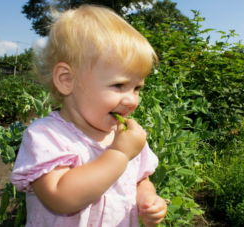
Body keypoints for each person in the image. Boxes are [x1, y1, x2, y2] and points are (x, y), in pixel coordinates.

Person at [10, 4, 167, 227]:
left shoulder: (126, 138)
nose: (132, 100)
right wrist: (120, 154)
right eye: (118, 85)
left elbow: (141, 180)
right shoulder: (47, 136)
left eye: (137, 88)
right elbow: (59, 197)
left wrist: (147, 200)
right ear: (67, 80)